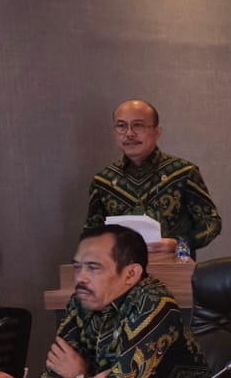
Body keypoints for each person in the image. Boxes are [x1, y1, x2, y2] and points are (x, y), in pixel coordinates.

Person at [39, 225, 209, 378]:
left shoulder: (153, 302)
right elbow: (49, 377)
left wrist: (78, 376)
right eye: (77, 267)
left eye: (93, 268)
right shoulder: (82, 300)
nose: (80, 278)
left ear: (131, 274)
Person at [84, 99, 221, 260]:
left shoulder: (184, 173)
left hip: (173, 271)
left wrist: (180, 243)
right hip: (119, 275)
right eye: (121, 126)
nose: (129, 133)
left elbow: (211, 223)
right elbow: (91, 234)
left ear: (157, 131)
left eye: (138, 125)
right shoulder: (103, 181)